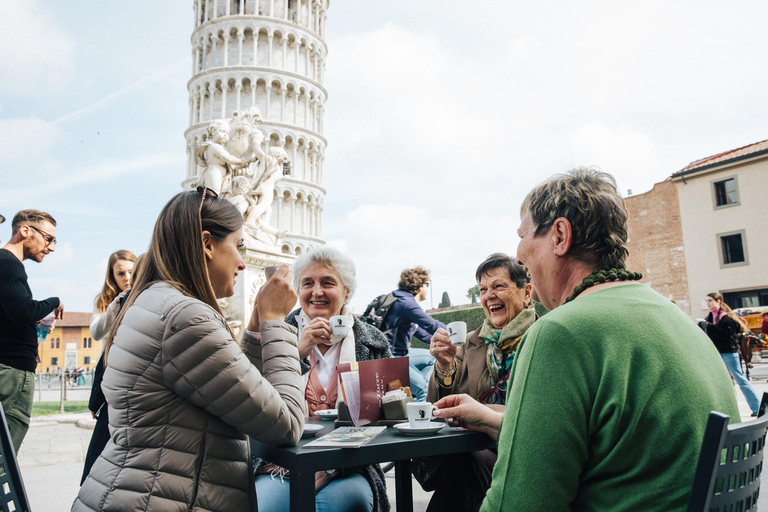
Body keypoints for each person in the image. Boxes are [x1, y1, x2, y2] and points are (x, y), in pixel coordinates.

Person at [434, 168, 741, 511]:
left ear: (560, 236)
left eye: (523, 236)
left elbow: (520, 504)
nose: (519, 255)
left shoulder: (561, 332)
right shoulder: (676, 319)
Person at [73, 189, 305, 511]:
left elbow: (233, 391)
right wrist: (277, 321)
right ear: (207, 244)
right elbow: (287, 423)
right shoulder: (186, 318)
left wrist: (253, 331)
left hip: (133, 492)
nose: (241, 262)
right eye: (238, 246)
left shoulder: (154, 302)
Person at [253, 246, 391, 512]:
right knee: (267, 504)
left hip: (351, 464)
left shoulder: (373, 342)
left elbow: (384, 418)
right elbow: (255, 403)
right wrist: (296, 351)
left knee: (343, 502)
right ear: (297, 292)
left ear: (346, 292)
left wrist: (331, 469)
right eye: (308, 283)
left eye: (327, 283)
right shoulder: (273, 334)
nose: (316, 292)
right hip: (281, 463)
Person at [414, 254, 535, 512]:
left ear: (526, 293)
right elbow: (439, 405)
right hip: (472, 451)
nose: (488, 295)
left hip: (524, 452)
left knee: (465, 465)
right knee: (465, 462)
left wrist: (486, 415)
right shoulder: (471, 342)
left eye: (498, 286)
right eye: (483, 289)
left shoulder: (542, 337)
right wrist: (445, 367)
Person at [0, 210, 63, 451]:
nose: (51, 248)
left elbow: (13, 314)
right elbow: (23, 311)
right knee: (4, 459)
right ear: (26, 231)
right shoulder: (8, 263)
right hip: (12, 374)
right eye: (49, 239)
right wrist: (54, 301)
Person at [80, 249, 137, 485]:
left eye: (131, 272)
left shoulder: (144, 295)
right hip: (110, 374)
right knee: (100, 447)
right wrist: (115, 306)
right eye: (120, 273)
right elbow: (96, 332)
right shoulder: (105, 300)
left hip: (134, 378)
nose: (126, 277)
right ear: (112, 276)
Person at [379, 267, 446, 402]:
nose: (427, 288)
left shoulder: (399, 301)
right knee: (424, 387)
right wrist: (457, 336)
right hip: (390, 358)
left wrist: (443, 344)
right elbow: (432, 326)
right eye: (427, 284)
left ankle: (410, 392)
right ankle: (418, 418)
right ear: (420, 286)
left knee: (432, 357)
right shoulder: (406, 303)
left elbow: (425, 335)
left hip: (400, 354)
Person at [701, 292, 760, 416]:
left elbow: (727, 336)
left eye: (710, 300)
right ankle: (731, 410)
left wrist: (709, 327)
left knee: (741, 380)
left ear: (718, 301)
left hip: (729, 353)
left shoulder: (725, 317)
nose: (708, 303)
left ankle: (757, 408)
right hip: (717, 353)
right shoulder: (709, 318)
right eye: (706, 301)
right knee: (724, 382)